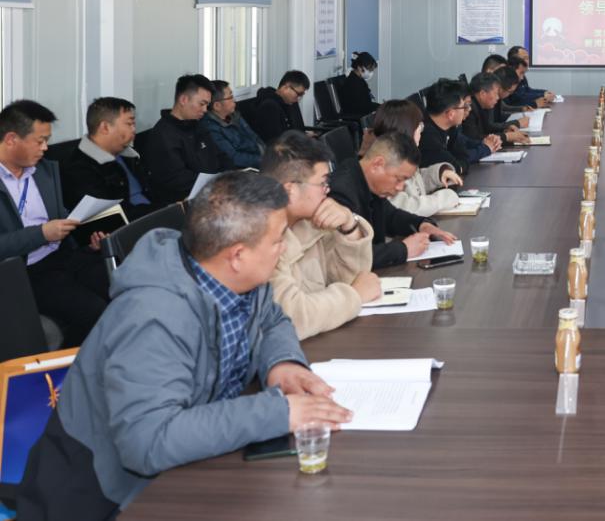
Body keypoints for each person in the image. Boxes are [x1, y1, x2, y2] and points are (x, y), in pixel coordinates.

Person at [16, 171, 353, 520]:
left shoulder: (231, 273)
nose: (283, 248)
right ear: (237, 255)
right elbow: (148, 442)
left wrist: (283, 363)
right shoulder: (152, 318)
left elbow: (271, 319)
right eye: (278, 239)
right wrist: (277, 412)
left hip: (190, 462)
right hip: (109, 496)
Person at [0, 100, 109, 347]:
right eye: (39, 141)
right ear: (11, 139)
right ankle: (72, 368)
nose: (45, 148)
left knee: (121, 285)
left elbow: (62, 217)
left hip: (62, 255)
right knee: (93, 311)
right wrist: (41, 234)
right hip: (22, 272)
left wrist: (89, 239)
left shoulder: (43, 172)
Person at [263, 131, 381, 340]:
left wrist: (349, 224)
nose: (327, 191)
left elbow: (354, 278)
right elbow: (292, 318)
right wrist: (354, 296)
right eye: (322, 184)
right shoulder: (260, 238)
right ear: (290, 190)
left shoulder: (310, 222)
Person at [328, 131, 457, 269]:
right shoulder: (341, 192)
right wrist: (404, 249)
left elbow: (390, 216)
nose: (400, 188)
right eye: (399, 179)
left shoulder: (366, 179)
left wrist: (422, 224)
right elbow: (349, 257)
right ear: (377, 164)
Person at [60, 96, 155, 223]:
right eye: (129, 124)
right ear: (105, 127)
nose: (134, 130)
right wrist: (162, 211)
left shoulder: (130, 156)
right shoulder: (79, 168)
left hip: (152, 217)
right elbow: (113, 216)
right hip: (133, 226)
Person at [365, 100, 464, 217]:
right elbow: (407, 207)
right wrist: (445, 198)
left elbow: (414, 183)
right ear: (407, 130)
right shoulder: (386, 166)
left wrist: (438, 174)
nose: (421, 131)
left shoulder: (400, 155)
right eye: (419, 126)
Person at [143, 73, 229, 205]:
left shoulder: (198, 125)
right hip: (185, 201)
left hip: (213, 191)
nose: (205, 110)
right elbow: (178, 180)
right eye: (202, 104)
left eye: (207, 105)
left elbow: (221, 156)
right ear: (183, 100)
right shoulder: (162, 135)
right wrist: (216, 183)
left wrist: (229, 176)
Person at [420, 79, 485, 174]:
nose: (469, 109)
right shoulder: (427, 137)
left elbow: (464, 157)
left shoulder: (450, 127)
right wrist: (459, 166)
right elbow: (455, 167)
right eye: (464, 107)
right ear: (451, 114)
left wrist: (460, 165)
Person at [200, 80, 264, 169]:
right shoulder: (211, 128)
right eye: (230, 97)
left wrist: (270, 154)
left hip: (259, 160)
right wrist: (264, 161)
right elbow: (234, 158)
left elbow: (255, 138)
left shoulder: (234, 115)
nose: (234, 100)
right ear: (217, 106)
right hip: (242, 169)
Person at [467, 72, 530, 146]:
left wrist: (504, 131)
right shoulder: (468, 109)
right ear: (482, 94)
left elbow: (487, 131)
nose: (498, 98)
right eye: (496, 93)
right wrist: (506, 137)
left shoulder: (482, 105)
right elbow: (474, 140)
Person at [250, 70, 312, 143]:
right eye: (298, 94)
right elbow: (276, 143)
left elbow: (294, 131)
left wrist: (304, 137)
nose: (298, 99)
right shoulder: (269, 107)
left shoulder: (289, 102)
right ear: (286, 87)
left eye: (301, 95)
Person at [339, 51, 379, 116]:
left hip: (363, 114)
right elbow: (362, 107)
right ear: (359, 67)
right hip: (358, 117)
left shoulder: (358, 80)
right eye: (369, 69)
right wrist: (381, 107)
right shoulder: (353, 84)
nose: (371, 72)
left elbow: (366, 104)